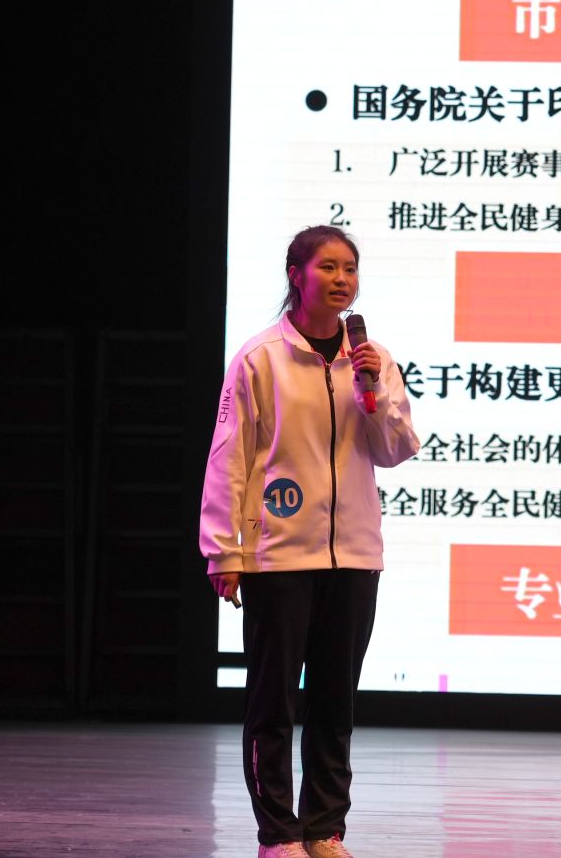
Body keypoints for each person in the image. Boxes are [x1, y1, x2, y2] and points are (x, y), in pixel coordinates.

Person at [199, 226, 420, 858]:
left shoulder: (371, 358)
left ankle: (324, 828)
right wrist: (224, 550)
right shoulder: (261, 358)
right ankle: (278, 834)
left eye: (351, 268)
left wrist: (376, 397)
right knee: (272, 703)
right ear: (296, 274)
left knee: (335, 701)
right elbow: (230, 457)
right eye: (329, 267)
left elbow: (397, 450)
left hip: (354, 555)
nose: (342, 279)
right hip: (278, 555)